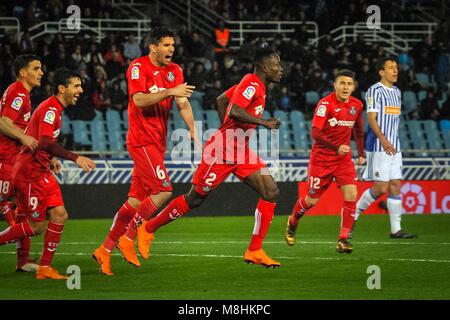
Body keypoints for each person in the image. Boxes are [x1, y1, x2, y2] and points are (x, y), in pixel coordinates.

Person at [141, 46, 283, 268]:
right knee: (194, 199)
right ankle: (147, 229)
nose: (280, 69)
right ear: (265, 67)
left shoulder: (256, 84)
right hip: (221, 152)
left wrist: (230, 130)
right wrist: (264, 122)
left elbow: (220, 100)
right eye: (276, 64)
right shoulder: (252, 83)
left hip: (240, 150)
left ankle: (255, 250)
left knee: (271, 191)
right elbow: (234, 109)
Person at [92, 27, 197, 276]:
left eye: (173, 45)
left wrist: (192, 128)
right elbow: (138, 100)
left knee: (135, 201)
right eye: (167, 45)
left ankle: (104, 250)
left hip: (157, 143)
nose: (172, 49)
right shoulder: (138, 67)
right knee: (163, 191)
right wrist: (170, 92)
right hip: (141, 141)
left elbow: (182, 102)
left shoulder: (175, 70)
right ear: (153, 47)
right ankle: (129, 237)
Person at [0, 67, 97, 280]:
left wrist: (50, 158)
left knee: (60, 215)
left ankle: (44, 267)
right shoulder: (51, 109)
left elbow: (41, 139)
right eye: (76, 86)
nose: (80, 90)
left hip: (41, 170)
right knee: (36, 226)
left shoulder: (54, 109)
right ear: (62, 88)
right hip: (30, 172)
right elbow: (43, 141)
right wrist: (75, 157)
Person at [285, 69, 365, 253]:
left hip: (343, 160)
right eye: (342, 83)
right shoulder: (325, 105)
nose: (345, 87)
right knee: (311, 201)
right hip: (321, 160)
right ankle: (292, 222)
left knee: (351, 195)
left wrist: (361, 153)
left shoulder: (357, 105)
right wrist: (336, 147)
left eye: (349, 84)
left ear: (354, 87)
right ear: (335, 85)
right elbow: (315, 133)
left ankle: (343, 239)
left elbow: (359, 130)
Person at [353, 57, 417, 239]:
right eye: (391, 68)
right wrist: (383, 139)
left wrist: (392, 142)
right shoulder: (374, 91)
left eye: (396, 67)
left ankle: (396, 230)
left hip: (394, 146)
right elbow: (371, 118)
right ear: (381, 72)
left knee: (396, 184)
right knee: (381, 188)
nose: (395, 71)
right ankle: (353, 215)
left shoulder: (397, 92)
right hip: (379, 145)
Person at [0, 54, 41, 272]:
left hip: (14, 160)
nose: (41, 72)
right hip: (7, 160)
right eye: (36, 68)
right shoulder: (18, 92)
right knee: (33, 215)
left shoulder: (21, 93)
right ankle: (23, 260)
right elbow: (3, 123)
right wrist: (24, 138)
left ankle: (23, 260)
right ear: (23, 73)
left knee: (26, 208)